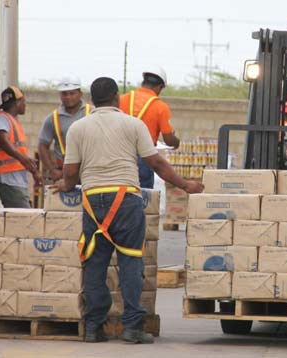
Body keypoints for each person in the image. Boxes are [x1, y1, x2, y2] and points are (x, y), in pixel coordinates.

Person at [56, 77, 203, 344]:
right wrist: (185, 184)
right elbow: (156, 163)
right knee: (130, 264)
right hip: (125, 201)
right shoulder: (133, 124)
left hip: (93, 202)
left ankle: (93, 327)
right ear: (116, 98)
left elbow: (70, 173)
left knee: (95, 265)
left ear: (91, 99)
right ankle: (132, 328)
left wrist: (63, 185)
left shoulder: (77, 128)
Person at [119, 66, 180, 188]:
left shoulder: (122, 99)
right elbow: (168, 139)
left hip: (120, 153)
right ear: (159, 87)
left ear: (143, 82)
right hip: (144, 156)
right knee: (144, 196)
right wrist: (176, 141)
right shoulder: (160, 107)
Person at [0, 86, 42, 208]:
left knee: (23, 218)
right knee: (23, 220)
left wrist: (34, 171)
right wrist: (23, 159)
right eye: (24, 101)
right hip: (8, 181)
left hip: (17, 181)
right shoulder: (1, 118)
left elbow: (19, 152)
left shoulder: (12, 121)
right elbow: (3, 141)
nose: (25, 105)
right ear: (17, 102)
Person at [38, 78, 92, 181]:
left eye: (72, 93)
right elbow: (42, 145)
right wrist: (52, 170)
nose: (68, 97)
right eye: (64, 94)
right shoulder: (53, 118)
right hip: (64, 172)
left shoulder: (92, 112)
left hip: (89, 171)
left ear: (80, 94)